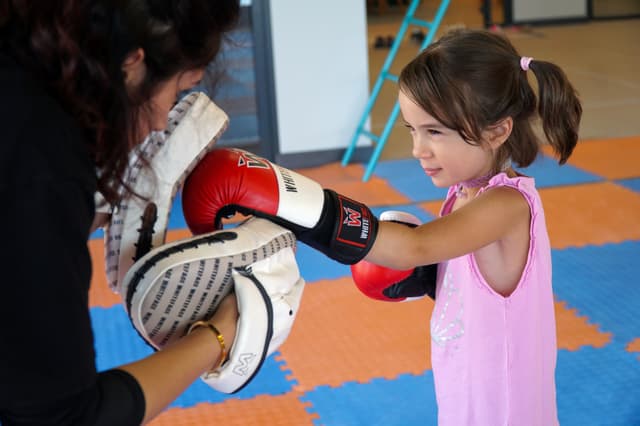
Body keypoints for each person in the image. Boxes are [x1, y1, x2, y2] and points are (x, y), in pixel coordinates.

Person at [179, 28, 582, 425]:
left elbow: (415, 247)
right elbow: (456, 271)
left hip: (506, 408)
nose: (418, 150)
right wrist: (432, 280)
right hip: (464, 388)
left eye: (435, 132)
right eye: (413, 130)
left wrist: (291, 204)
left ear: (496, 131)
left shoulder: (506, 205)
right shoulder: (466, 192)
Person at [0, 0, 242, 424]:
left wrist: (81, 213)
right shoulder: (42, 162)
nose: (160, 123)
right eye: (176, 92)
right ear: (131, 64)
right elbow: (63, 418)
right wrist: (219, 336)